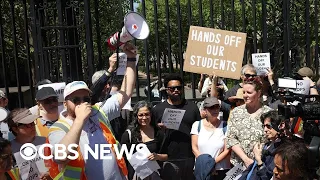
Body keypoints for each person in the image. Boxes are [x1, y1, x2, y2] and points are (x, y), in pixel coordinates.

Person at [46, 43, 137, 179]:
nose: (82, 103)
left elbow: (126, 92)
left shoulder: (97, 111)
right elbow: (61, 156)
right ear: (65, 103)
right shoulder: (58, 128)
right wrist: (80, 120)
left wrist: (130, 59)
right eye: (76, 99)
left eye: (86, 98)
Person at [152, 73, 201, 180]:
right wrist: (159, 128)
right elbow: (152, 132)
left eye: (179, 87)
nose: (176, 90)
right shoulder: (158, 109)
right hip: (168, 158)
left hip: (189, 157)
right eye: (172, 88)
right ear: (166, 90)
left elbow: (200, 130)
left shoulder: (192, 108)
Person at [226, 76, 272, 167]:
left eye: (249, 92)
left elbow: (272, 138)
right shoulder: (236, 112)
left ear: (258, 93)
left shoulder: (268, 112)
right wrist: (245, 159)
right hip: (239, 164)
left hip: (262, 163)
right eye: (244, 92)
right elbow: (231, 139)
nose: (245, 95)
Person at [121, 101, 167, 180]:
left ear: (151, 115)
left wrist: (157, 156)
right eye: (141, 115)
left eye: (147, 114)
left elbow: (166, 155)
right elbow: (122, 157)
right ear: (136, 116)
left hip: (155, 175)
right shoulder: (128, 135)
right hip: (135, 176)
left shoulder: (158, 133)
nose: (144, 118)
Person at [191, 97, 231, 180]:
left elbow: (227, 150)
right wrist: (206, 164)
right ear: (205, 110)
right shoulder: (197, 125)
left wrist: (211, 164)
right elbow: (194, 148)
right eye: (212, 107)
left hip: (220, 170)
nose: (215, 110)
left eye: (217, 107)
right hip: (202, 169)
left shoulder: (225, 126)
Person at [239, 110, 287, 180]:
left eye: (268, 126)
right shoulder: (267, 144)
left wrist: (259, 160)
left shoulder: (281, 149)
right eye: (264, 126)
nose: (265, 129)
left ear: (280, 126)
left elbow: (267, 177)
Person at [7, 108, 51, 180]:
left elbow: (57, 167)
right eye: (27, 124)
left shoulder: (46, 141)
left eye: (32, 123)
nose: (32, 127)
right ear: (15, 129)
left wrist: (50, 175)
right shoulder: (9, 150)